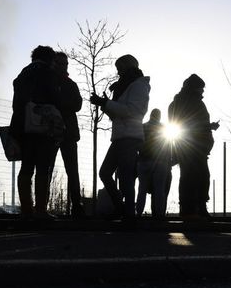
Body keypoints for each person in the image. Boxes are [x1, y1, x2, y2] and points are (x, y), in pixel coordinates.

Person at [90, 54, 150, 219]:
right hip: (120, 136)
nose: (118, 72)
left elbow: (134, 112)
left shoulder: (138, 85)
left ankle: (128, 214)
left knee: (124, 176)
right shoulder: (124, 86)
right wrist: (105, 104)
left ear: (129, 66)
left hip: (130, 136)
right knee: (106, 173)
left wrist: (106, 103)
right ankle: (122, 208)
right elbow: (118, 115)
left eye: (120, 68)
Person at [10, 45, 61, 219]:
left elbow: (16, 102)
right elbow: (54, 97)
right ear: (49, 59)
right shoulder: (48, 72)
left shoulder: (23, 73)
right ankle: (40, 210)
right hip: (42, 125)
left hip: (22, 126)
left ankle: (26, 209)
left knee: (26, 168)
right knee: (42, 168)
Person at [168, 74, 219, 219]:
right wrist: (208, 126)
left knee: (196, 176)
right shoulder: (191, 103)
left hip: (192, 146)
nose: (202, 92)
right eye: (200, 89)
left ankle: (193, 208)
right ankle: (192, 208)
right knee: (195, 177)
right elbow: (188, 125)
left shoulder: (178, 103)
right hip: (192, 146)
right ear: (194, 88)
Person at [51, 51, 85, 218]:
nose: (63, 67)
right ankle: (41, 206)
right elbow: (76, 104)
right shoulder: (50, 83)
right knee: (47, 169)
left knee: (72, 170)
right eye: (60, 63)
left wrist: (59, 104)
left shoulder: (70, 84)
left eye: (65, 64)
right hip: (51, 132)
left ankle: (77, 205)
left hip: (68, 133)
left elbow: (78, 104)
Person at [135, 108, 172, 219]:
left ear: (150, 115)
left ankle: (139, 213)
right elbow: (168, 146)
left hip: (144, 161)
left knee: (142, 189)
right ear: (159, 116)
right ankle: (159, 215)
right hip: (160, 162)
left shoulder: (143, 127)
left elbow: (138, 144)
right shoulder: (164, 128)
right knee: (159, 190)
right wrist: (168, 161)